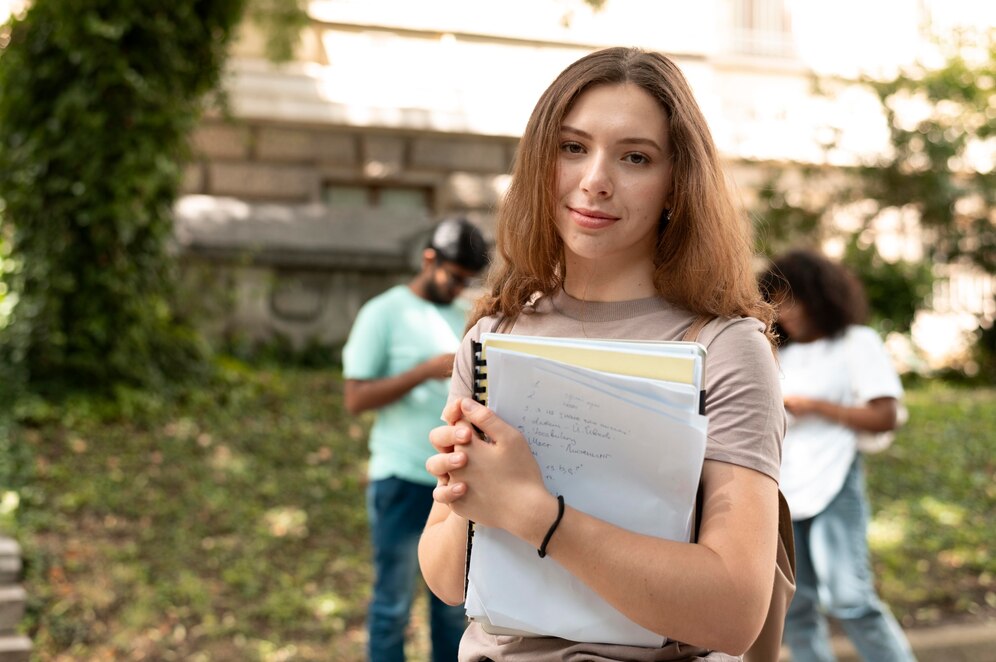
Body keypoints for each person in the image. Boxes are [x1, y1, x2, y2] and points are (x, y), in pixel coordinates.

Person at [417, 47, 786, 661]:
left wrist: (536, 514)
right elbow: (447, 579)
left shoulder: (723, 348)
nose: (595, 180)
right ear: (541, 162)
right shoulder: (493, 335)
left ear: (676, 184)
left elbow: (735, 613)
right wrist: (466, 495)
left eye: (635, 157)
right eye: (571, 147)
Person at [342, 217, 490, 662]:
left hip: (453, 486)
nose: (460, 287)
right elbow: (355, 397)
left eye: (469, 280)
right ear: (430, 260)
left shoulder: (467, 316)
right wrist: (423, 372)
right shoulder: (383, 313)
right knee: (392, 605)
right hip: (401, 480)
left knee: (450, 609)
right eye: (455, 277)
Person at [759, 249, 916, 662]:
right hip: (784, 491)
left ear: (819, 296)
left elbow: (884, 416)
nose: (784, 311)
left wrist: (815, 407)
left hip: (835, 482)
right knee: (796, 606)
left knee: (851, 599)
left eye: (792, 299)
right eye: (775, 301)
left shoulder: (856, 343)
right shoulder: (776, 353)